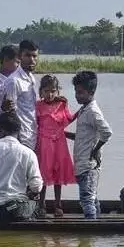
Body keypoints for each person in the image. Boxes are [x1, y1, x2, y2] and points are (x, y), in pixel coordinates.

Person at [0, 113, 44, 224]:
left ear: (2, 131)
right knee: (34, 202)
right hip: (13, 210)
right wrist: (30, 192)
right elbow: (36, 187)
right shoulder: (28, 153)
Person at [66, 70, 112, 219]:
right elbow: (82, 137)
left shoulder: (93, 111)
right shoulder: (83, 110)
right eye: (75, 92)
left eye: (80, 92)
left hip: (89, 165)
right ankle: (96, 223)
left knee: (86, 198)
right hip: (81, 164)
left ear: (91, 92)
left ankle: (90, 229)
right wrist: (64, 134)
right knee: (92, 197)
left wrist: (96, 149)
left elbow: (107, 132)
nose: (76, 95)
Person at [34, 74, 75, 218]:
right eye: (46, 91)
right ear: (41, 92)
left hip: (59, 142)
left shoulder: (62, 104)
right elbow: (35, 124)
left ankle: (58, 205)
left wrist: (81, 111)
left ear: (57, 91)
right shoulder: (38, 105)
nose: (50, 94)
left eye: (53, 91)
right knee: (44, 172)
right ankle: (41, 205)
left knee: (59, 173)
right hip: (44, 142)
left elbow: (68, 120)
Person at [4, 39, 39, 150]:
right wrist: (17, 138)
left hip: (32, 133)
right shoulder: (14, 81)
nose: (32, 60)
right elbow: (10, 112)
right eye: (28, 55)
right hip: (21, 137)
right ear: (19, 56)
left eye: (34, 56)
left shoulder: (31, 78)